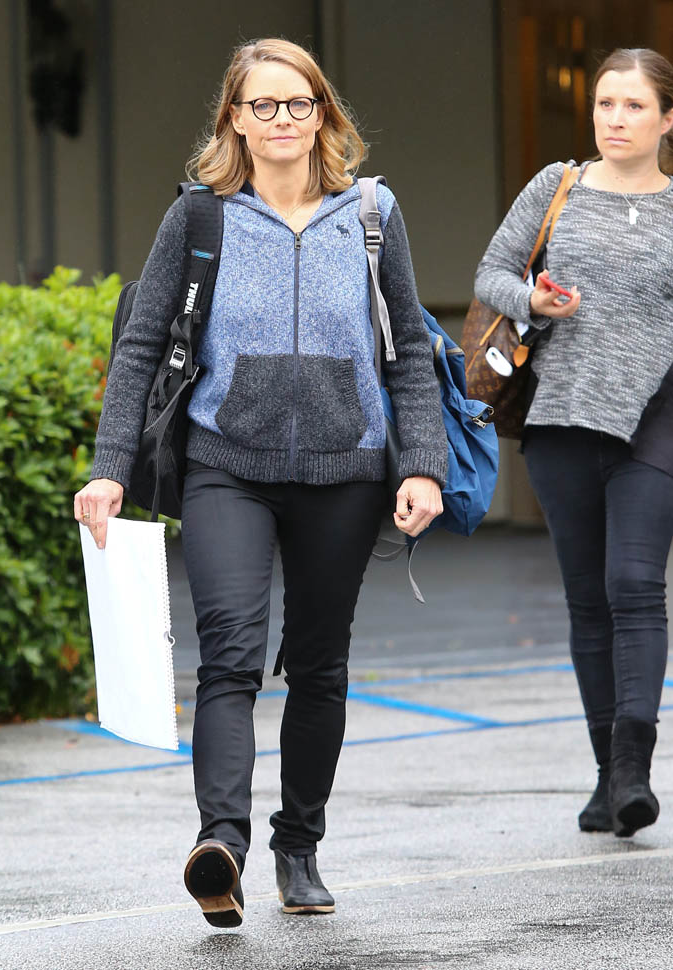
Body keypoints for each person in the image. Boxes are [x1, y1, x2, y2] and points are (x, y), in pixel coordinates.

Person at [74, 38, 447, 926]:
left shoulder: (371, 215)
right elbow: (140, 346)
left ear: (323, 114)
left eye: (298, 103)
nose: (282, 119)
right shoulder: (199, 218)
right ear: (234, 120)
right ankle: (222, 847)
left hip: (345, 472)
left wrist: (422, 464)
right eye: (262, 105)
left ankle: (299, 845)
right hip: (226, 466)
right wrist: (109, 470)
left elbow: (408, 350)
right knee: (230, 655)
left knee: (318, 664)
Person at [475, 48, 673, 839]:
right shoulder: (555, 187)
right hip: (561, 414)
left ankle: (632, 770)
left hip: (656, 415)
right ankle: (605, 778)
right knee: (588, 599)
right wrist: (535, 299)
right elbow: (492, 273)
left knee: (635, 584)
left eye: (634, 105)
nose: (615, 119)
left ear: (667, 119)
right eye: (604, 104)